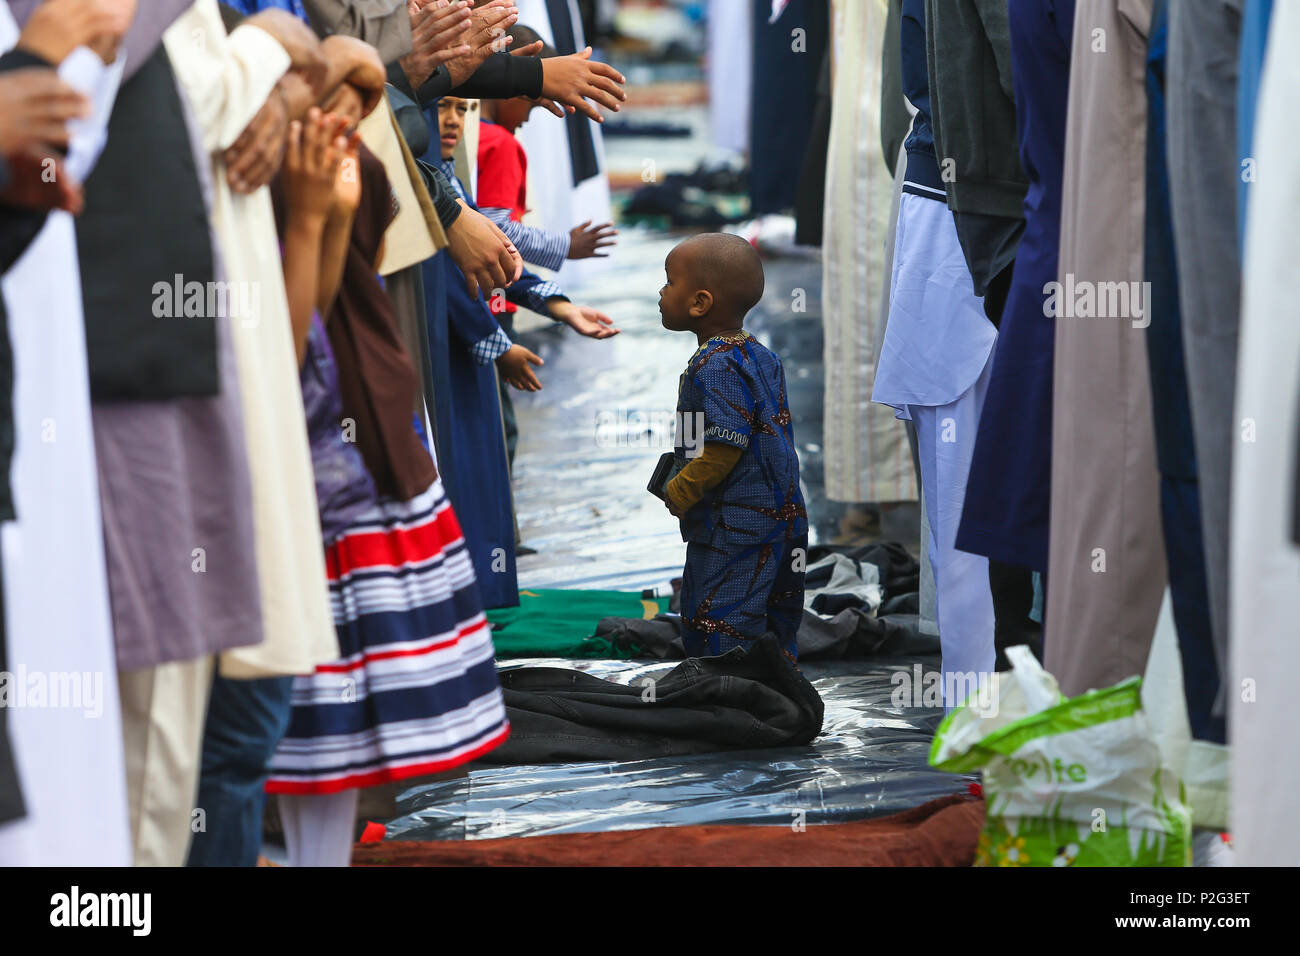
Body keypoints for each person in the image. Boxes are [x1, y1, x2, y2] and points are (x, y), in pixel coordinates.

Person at [265, 85, 510, 868]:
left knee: (337, 714)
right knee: (312, 716)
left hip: (351, 466)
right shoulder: (305, 188)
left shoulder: (346, 178)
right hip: (323, 475)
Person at [429, 93, 615, 608]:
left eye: (460, 108)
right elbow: (453, 262)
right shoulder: (451, 163)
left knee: (487, 447)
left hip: (474, 333)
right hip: (455, 342)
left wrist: (558, 305)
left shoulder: (445, 171)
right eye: (441, 106)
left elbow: (490, 252)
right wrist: (498, 344)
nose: (451, 120)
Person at [658, 233, 807, 662]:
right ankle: (781, 695)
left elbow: (724, 446)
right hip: (786, 517)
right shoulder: (761, 356)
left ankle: (728, 703)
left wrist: (682, 490)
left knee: (718, 619)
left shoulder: (713, 366)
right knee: (778, 620)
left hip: (737, 524)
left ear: (700, 303)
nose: (662, 291)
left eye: (669, 282)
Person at [475, 25, 617, 273]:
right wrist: (565, 245)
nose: (526, 121)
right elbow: (496, 230)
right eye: (531, 108)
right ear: (519, 90)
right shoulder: (501, 143)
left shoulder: (462, 133)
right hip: (493, 298)